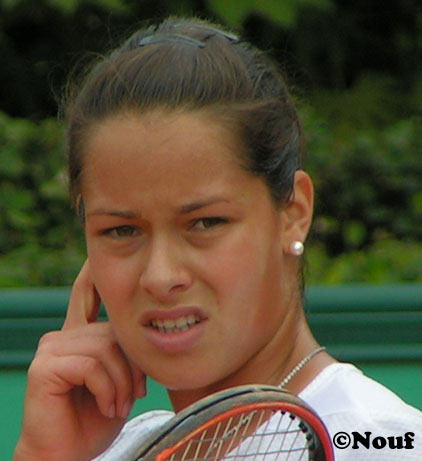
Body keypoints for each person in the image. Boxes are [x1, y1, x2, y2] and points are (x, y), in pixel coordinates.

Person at [13, 16, 422, 461]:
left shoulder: (383, 442)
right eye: (121, 230)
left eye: (206, 223)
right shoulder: (112, 448)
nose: (160, 276)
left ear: (293, 214)